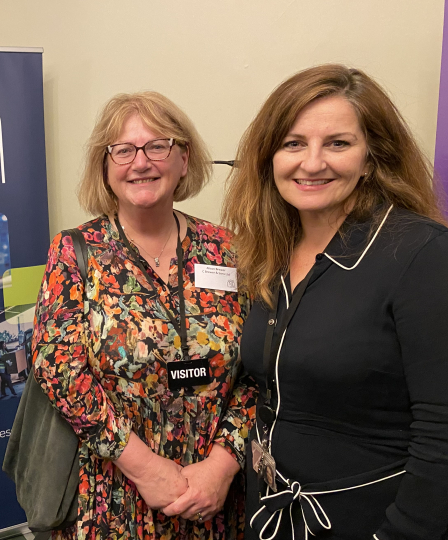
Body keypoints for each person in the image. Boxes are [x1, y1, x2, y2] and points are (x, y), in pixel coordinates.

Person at [222, 64, 448, 539]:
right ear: (269, 158)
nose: (312, 162)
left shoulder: (421, 253)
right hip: (273, 516)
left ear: (372, 158)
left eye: (338, 143)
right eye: (293, 143)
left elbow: (442, 431)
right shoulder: (270, 252)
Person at [32, 91, 255, 539]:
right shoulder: (76, 252)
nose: (141, 162)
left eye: (158, 146)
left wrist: (222, 465)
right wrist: (147, 469)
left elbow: (257, 367)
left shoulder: (226, 249)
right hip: (115, 497)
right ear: (106, 165)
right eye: (123, 150)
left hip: (214, 499)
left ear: (184, 158)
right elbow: (59, 371)